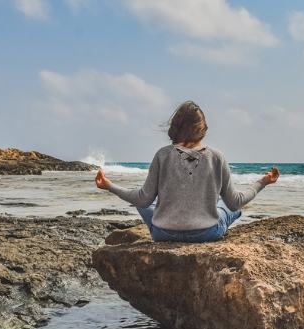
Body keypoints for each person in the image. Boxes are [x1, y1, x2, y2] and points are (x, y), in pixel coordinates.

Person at [94, 100, 279, 242]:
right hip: (206, 233)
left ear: (175, 127)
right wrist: (262, 182)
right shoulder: (217, 157)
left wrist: (109, 186)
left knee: (143, 201)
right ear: (202, 129)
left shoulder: (162, 155)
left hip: (163, 234)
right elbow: (236, 201)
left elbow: (142, 199)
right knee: (229, 207)